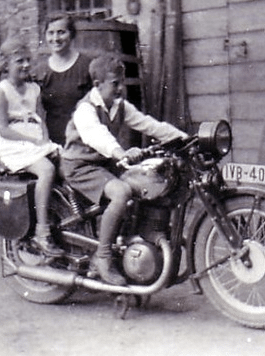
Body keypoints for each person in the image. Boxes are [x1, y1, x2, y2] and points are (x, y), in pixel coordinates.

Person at [60, 55, 188, 285]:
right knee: (121, 193)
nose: (121, 88)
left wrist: (185, 139)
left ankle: (134, 239)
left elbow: (149, 124)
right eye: (114, 83)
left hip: (104, 163)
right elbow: (96, 136)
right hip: (80, 166)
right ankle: (103, 257)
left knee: (148, 181)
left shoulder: (120, 106)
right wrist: (121, 153)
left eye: (122, 82)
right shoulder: (85, 109)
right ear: (97, 85)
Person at [0, 37, 64, 257]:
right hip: (12, 143)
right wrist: (34, 143)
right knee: (47, 170)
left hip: (35, 139)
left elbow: (41, 118)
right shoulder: (1, 91)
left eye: (27, 61)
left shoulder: (34, 89)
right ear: (5, 64)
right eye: (19, 61)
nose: (25, 65)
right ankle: (42, 231)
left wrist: (45, 141)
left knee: (65, 163)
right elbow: (3, 129)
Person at [32, 12, 93, 146]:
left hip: (82, 137)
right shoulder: (39, 71)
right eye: (51, 33)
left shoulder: (87, 66)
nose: (56, 38)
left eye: (61, 32)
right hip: (49, 139)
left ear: (71, 35)